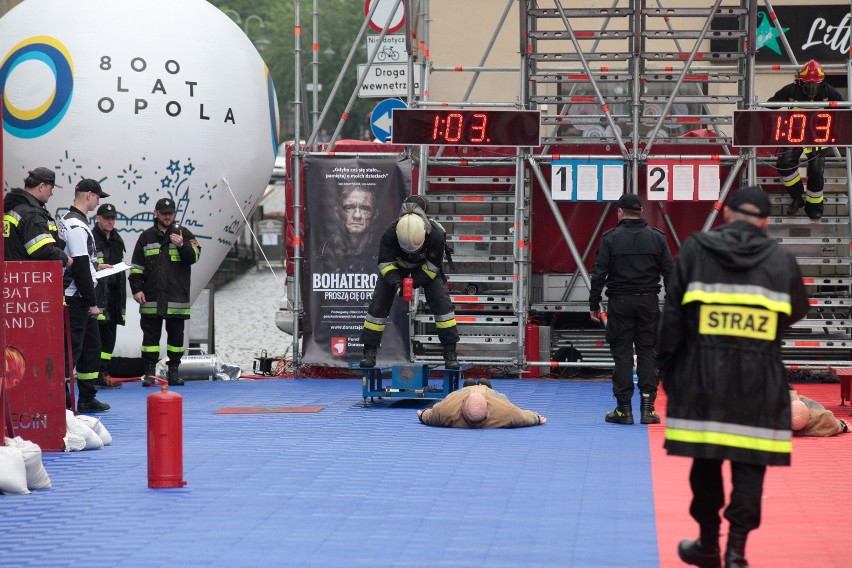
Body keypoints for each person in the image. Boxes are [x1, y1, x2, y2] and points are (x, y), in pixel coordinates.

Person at [656, 186, 809, 568]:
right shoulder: (782, 260)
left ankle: (708, 544)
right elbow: (797, 311)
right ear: (766, 221)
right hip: (759, 379)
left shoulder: (695, 250)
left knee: (706, 462)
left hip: (703, 376)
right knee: (751, 462)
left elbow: (672, 318)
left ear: (726, 214)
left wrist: (669, 374)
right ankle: (737, 551)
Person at [589, 193, 674, 425]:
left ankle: (623, 410)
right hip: (648, 302)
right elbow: (670, 273)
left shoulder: (610, 238)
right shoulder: (657, 238)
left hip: (620, 303)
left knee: (623, 354)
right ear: (641, 212)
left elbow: (599, 274)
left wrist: (594, 304)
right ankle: (648, 409)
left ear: (619, 212)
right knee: (648, 352)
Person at [359, 195, 460, 369]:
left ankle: (450, 353)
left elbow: (432, 267)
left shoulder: (436, 234)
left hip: (426, 268)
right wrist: (397, 283)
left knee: (443, 306)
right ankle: (369, 352)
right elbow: (385, 264)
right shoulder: (390, 233)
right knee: (377, 306)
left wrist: (413, 283)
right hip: (396, 268)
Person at [129, 197, 201, 387]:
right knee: (150, 339)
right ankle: (150, 373)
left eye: (171, 213)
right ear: (156, 213)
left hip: (176, 299)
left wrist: (181, 246)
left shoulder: (184, 234)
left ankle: (174, 372)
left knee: (176, 340)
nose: (168, 217)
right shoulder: (145, 237)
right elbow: (136, 267)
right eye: (164, 213)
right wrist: (136, 289)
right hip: (151, 298)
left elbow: (194, 256)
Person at [59, 179, 112, 413]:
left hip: (78, 294)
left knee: (92, 347)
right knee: (72, 350)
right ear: (88, 195)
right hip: (76, 298)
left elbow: (82, 261)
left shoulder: (70, 222)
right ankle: (61, 398)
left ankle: (87, 396)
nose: (99, 201)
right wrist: (92, 303)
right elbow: (79, 265)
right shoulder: (77, 227)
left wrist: (96, 267)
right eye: (97, 196)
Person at [768, 59, 843, 220]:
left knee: (816, 170)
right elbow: (770, 105)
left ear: (821, 83)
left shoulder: (828, 92)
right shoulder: (790, 90)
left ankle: (814, 206)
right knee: (783, 164)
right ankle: (797, 197)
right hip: (794, 133)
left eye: (815, 84)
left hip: (818, 135)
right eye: (807, 84)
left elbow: (845, 110)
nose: (811, 88)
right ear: (800, 81)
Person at [3, 167, 72, 266]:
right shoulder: (32, 213)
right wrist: (65, 259)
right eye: (50, 189)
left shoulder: (13, 207)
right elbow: (42, 249)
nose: (51, 193)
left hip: (12, 274)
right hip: (27, 275)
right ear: (42, 186)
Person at [92, 203, 127, 389]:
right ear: (98, 218)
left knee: (109, 339)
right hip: (98, 295)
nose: (110, 221)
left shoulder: (116, 239)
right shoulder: (91, 238)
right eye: (107, 218)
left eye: (113, 218)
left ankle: (102, 372)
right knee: (96, 337)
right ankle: (92, 375)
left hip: (114, 294)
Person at [417, 379, 546, 428]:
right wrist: (537, 418)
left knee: (468, 382)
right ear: (488, 409)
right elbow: (524, 416)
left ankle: (473, 384)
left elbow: (431, 415)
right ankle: (483, 385)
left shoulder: (446, 410)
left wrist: (423, 415)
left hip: (464, 393)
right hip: (489, 395)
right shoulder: (505, 413)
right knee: (484, 382)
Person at [317, 186, 379, 273]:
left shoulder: (385, 252)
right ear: (337, 213)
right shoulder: (323, 254)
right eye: (349, 208)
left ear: (374, 215)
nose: (357, 216)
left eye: (365, 209)